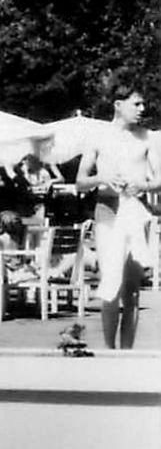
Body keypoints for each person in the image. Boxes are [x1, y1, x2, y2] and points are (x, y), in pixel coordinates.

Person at [74, 86, 160, 349]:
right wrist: (103, 177)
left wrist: (142, 186)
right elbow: (80, 181)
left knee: (132, 288)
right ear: (118, 104)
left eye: (143, 104)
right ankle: (110, 350)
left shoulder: (147, 138)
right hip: (108, 209)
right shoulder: (98, 136)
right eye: (136, 104)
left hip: (135, 209)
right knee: (111, 281)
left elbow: (159, 179)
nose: (142, 109)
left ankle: (128, 352)